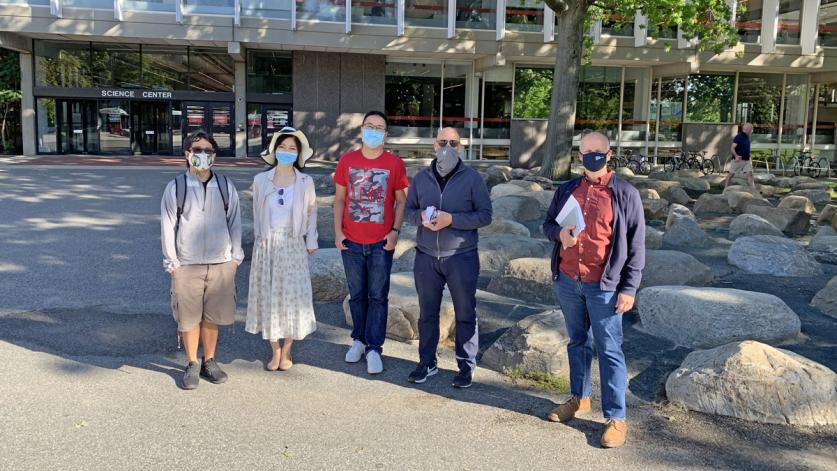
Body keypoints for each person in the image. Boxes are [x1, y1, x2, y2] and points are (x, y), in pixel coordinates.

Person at [542, 131, 645, 448]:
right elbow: (547, 225)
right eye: (585, 151)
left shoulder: (625, 194)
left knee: (610, 350)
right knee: (577, 342)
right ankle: (579, 398)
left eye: (597, 151)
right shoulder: (567, 190)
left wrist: (629, 288)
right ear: (579, 155)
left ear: (609, 154)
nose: (591, 156)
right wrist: (561, 235)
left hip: (605, 287)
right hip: (569, 281)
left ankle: (616, 417)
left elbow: (637, 245)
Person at [404, 127, 492, 389]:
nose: (447, 147)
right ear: (434, 145)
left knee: (465, 312)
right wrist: (419, 217)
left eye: (453, 143)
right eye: (443, 142)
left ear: (461, 146)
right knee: (427, 313)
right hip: (426, 257)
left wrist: (451, 219)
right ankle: (427, 362)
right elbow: (408, 211)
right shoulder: (421, 178)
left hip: (461, 257)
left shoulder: (473, 178)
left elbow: (485, 215)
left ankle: (466, 366)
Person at [161, 130, 244, 390]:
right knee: (189, 317)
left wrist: (235, 259)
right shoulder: (177, 187)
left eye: (209, 151)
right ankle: (192, 362)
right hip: (187, 263)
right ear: (187, 154)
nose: (203, 155)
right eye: (198, 150)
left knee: (212, 316)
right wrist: (172, 263)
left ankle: (209, 360)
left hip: (221, 263)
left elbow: (236, 223)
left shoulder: (225, 186)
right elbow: (167, 226)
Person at [333, 111, 409, 375]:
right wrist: (337, 232)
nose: (374, 131)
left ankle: (374, 347)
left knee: (378, 296)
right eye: (369, 126)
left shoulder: (394, 164)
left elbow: (401, 201)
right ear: (361, 130)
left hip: (380, 242)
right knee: (357, 295)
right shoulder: (347, 160)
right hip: (351, 241)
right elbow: (340, 199)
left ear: (385, 135)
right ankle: (358, 340)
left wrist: (395, 231)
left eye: (379, 128)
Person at [245, 127, 318, 371]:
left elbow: (311, 212)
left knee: (292, 297)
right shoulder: (260, 180)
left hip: (293, 244)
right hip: (266, 245)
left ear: (298, 154)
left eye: (292, 148)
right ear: (275, 150)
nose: (287, 152)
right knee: (269, 296)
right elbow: (256, 212)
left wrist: (311, 240)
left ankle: (287, 350)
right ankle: (274, 350)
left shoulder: (306, 182)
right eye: (282, 147)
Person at [724, 123, 755, 189]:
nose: (752, 130)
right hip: (738, 160)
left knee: (750, 174)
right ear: (747, 129)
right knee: (731, 174)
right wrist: (736, 156)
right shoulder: (739, 136)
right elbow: (732, 148)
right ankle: (725, 188)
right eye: (752, 129)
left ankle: (753, 190)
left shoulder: (747, 137)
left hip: (747, 160)